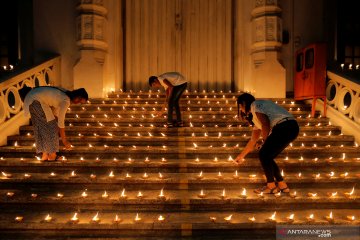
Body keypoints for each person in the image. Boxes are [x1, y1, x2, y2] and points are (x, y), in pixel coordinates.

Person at [234, 93, 299, 194]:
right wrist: (241, 156)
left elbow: (265, 123)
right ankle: (282, 185)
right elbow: (253, 140)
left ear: (244, 103)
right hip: (291, 127)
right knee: (267, 156)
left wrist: (264, 141)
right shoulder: (256, 118)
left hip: (284, 126)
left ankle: (271, 186)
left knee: (264, 154)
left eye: (240, 106)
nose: (241, 110)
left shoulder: (255, 105)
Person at [23, 86, 88, 161]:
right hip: (36, 101)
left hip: (31, 99)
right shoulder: (66, 100)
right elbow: (61, 121)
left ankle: (45, 154)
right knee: (51, 127)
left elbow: (55, 113)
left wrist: (55, 124)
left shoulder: (64, 93)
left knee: (43, 127)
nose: (78, 103)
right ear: (78, 96)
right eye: (79, 101)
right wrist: (64, 141)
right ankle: (52, 155)